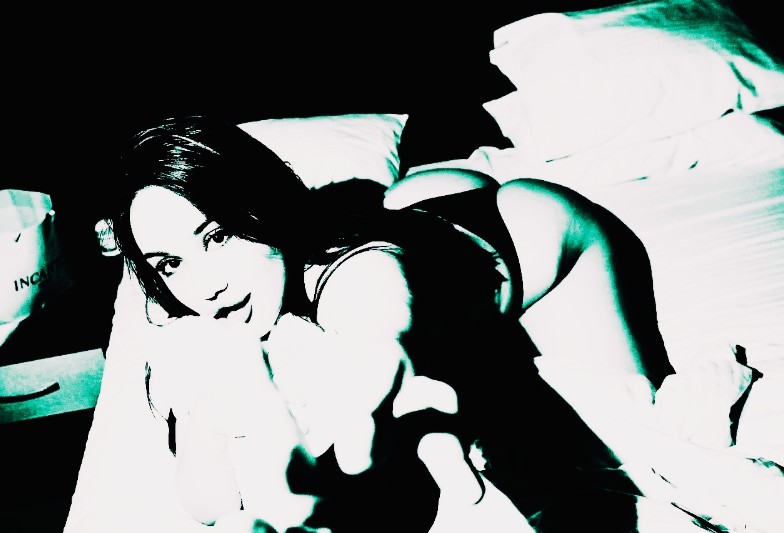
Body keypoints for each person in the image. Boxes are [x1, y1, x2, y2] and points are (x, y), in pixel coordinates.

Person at [104, 114, 769, 532]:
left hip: (540, 241)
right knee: (408, 207)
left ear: (258, 207)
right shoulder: (196, 327)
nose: (205, 284)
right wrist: (208, 413)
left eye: (218, 236)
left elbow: (375, 306)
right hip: (416, 217)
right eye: (169, 263)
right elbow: (205, 493)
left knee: (644, 432)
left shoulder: (346, 276)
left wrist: (373, 364)